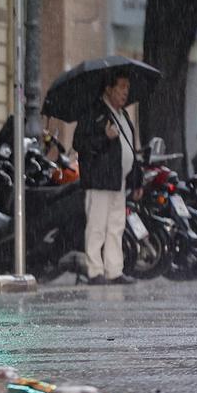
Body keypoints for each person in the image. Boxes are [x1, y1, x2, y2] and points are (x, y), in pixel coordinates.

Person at [73, 71, 142, 286]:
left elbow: (131, 148)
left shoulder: (123, 115)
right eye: (121, 87)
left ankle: (114, 270)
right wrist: (104, 137)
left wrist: (137, 180)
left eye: (127, 88)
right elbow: (80, 144)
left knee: (116, 225)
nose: (125, 92)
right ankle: (94, 271)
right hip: (100, 179)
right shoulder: (94, 112)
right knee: (97, 225)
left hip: (118, 180)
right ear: (108, 89)